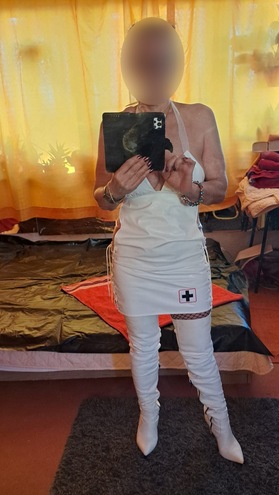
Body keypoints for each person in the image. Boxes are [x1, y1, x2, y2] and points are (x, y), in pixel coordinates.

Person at [94, 17, 243, 464]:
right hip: (134, 259)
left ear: (175, 62)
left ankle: (222, 425)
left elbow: (218, 188)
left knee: (198, 352)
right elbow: (101, 199)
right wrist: (115, 189)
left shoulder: (198, 117)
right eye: (143, 60)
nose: (153, 68)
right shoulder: (116, 125)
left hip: (183, 257)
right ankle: (149, 416)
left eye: (161, 60)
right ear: (129, 63)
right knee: (143, 348)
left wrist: (187, 188)